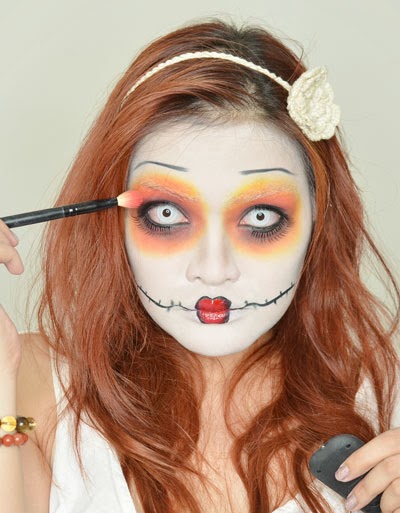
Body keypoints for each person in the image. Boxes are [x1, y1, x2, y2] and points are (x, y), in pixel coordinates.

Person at [0, 19, 399, 513]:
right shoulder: (28, 383)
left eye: (260, 217)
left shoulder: (386, 406)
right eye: (167, 214)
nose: (213, 270)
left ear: (320, 221)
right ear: (116, 222)